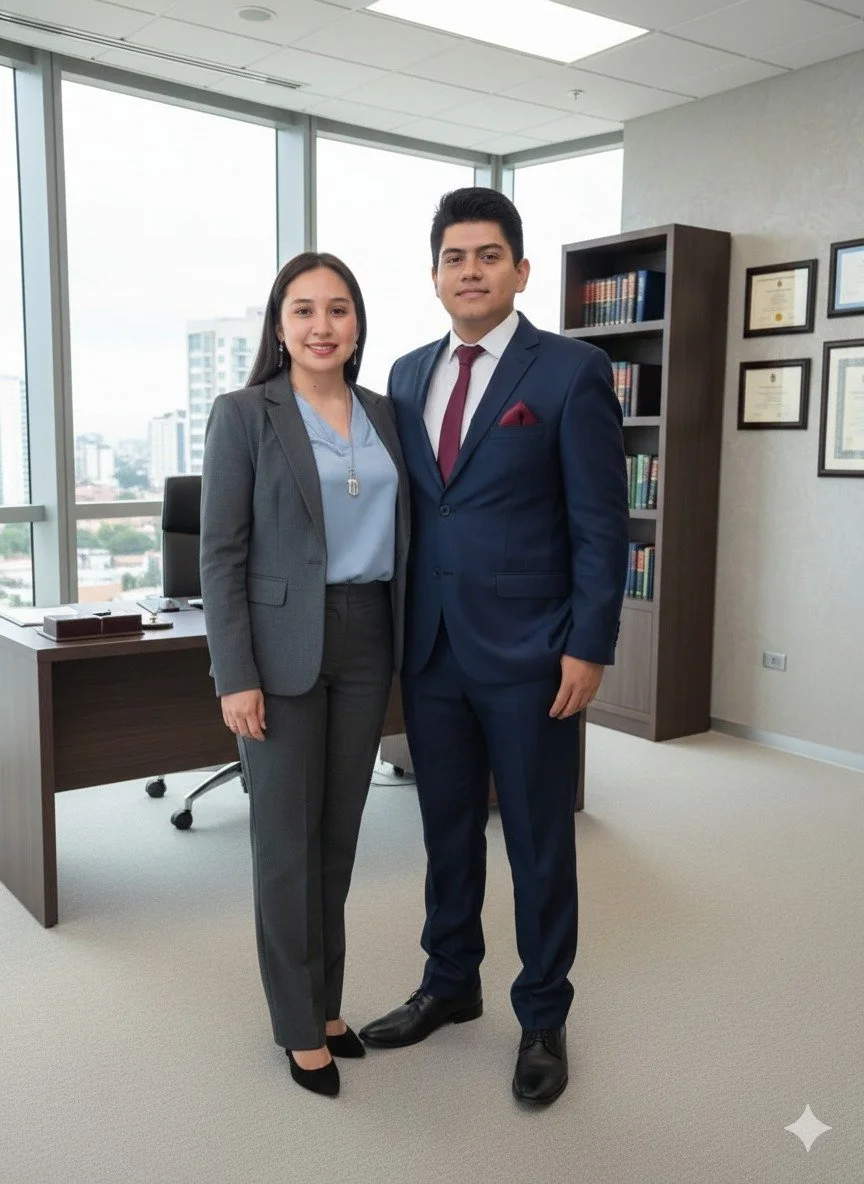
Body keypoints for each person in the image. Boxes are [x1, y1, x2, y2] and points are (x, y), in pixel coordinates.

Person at [359, 189, 629, 1105]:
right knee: (445, 833)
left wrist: (589, 644)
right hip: (430, 651)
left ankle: (544, 1014)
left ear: (519, 268)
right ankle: (450, 983)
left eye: (487, 255)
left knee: (540, 843)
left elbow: (603, 523)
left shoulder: (570, 371)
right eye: (452, 257)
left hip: (531, 653)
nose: (469, 271)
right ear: (433, 275)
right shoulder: (402, 375)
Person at [200, 252, 409, 1098]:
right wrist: (233, 672)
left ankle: (326, 1004)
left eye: (339, 309)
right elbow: (221, 554)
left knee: (338, 836)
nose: (322, 326)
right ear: (279, 326)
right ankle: (297, 1026)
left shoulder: (387, 416)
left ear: (358, 323)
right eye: (303, 310)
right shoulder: (245, 414)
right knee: (284, 845)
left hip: (367, 637)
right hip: (281, 647)